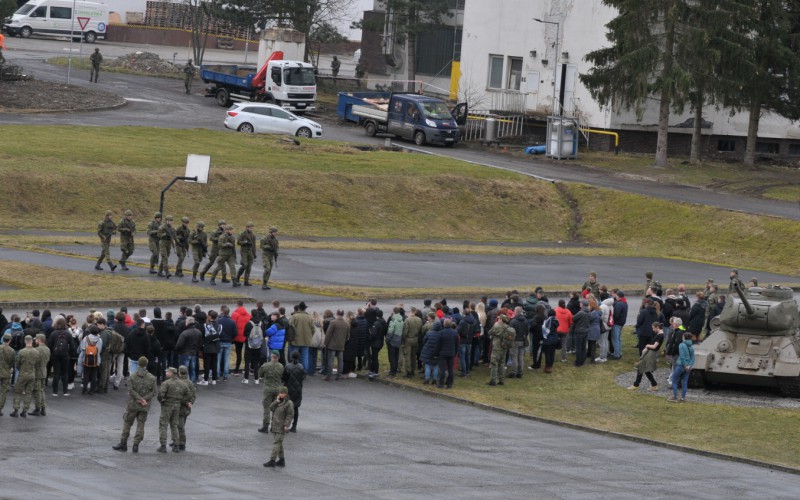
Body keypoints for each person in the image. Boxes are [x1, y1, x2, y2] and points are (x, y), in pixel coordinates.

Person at [112, 356, 157, 453]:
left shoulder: (132, 376)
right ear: (146, 364)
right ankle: (136, 445)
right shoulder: (152, 378)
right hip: (144, 405)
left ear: (138, 364)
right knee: (141, 425)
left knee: (127, 423)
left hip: (133, 404)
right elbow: (154, 392)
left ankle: (123, 444)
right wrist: (144, 399)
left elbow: (130, 390)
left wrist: (139, 399)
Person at [157, 366, 188, 453]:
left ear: (171, 373)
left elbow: (160, 395)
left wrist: (162, 401)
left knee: (163, 425)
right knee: (174, 425)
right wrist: (182, 401)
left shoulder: (166, 383)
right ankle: (176, 445)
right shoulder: (182, 383)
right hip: (177, 406)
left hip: (167, 406)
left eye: (167, 372)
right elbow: (188, 394)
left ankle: (163, 446)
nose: (166, 373)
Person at [263, 386, 294, 468]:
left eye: (282, 393)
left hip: (281, 426)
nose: (280, 394)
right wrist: (276, 401)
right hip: (275, 425)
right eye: (279, 393)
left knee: (276, 443)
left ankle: (272, 460)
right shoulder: (278, 401)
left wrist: (286, 425)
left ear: (285, 394)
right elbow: (271, 408)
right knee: (279, 444)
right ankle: (281, 460)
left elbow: (289, 415)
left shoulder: (289, 403)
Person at [628, 322, 664, 391]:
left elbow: (654, 346)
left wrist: (647, 345)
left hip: (651, 353)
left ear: (657, 327)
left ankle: (636, 385)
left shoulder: (660, 336)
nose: (653, 330)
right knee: (644, 369)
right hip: (650, 353)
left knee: (641, 367)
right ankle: (653, 384)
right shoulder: (659, 334)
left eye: (653, 328)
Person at [11, 335, 38, 417]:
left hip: (23, 374)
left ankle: (16, 410)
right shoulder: (36, 352)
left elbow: (17, 364)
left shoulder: (21, 352)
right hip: (32, 374)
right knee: (28, 393)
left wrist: (21, 369)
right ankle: (24, 411)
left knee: (17, 391)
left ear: (25, 341)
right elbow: (37, 363)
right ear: (32, 341)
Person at [258, 350, 284, 433]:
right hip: (277, 389)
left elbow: (260, 374)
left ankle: (265, 426)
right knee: (276, 408)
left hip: (268, 389)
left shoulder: (265, 366)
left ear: (271, 356)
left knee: (267, 408)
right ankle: (274, 427)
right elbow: (283, 376)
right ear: (278, 358)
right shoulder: (281, 366)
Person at [322, 309, 349, 381]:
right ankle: (339, 375)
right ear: (343, 314)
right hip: (341, 345)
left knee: (331, 360)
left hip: (332, 344)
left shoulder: (333, 322)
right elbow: (347, 336)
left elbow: (328, 334)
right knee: (340, 360)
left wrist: (325, 343)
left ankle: (329, 375)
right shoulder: (346, 324)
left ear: (337, 314)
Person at [668, 331, 695, 402]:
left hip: (681, 365)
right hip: (688, 367)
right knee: (685, 382)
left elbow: (682, 356)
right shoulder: (691, 346)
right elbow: (693, 358)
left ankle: (675, 396)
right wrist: (689, 365)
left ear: (684, 338)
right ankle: (683, 398)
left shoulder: (681, 345)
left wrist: (685, 365)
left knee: (674, 380)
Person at [282, 351, 305, 432]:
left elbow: (284, 378)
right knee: (296, 408)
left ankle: (285, 426)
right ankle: (294, 426)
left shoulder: (288, 366)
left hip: (289, 390)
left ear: (291, 357)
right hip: (298, 390)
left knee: (286, 408)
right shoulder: (301, 367)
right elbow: (303, 377)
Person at [487, 315, 512, 386]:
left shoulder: (497, 326)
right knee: (502, 363)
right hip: (504, 347)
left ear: (501, 320)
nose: (498, 320)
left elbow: (490, 332)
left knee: (494, 363)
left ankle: (493, 380)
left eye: (499, 319)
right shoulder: (508, 327)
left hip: (497, 347)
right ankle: (501, 380)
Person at [175, 316, 201, 383]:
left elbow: (179, 345)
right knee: (192, 369)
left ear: (187, 323)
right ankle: (192, 382)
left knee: (184, 369)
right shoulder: (198, 332)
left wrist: (177, 350)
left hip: (184, 353)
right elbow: (199, 343)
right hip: (194, 353)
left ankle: (186, 382)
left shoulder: (184, 333)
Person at [198, 310, 221, 385]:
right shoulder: (220, 326)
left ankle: (205, 380)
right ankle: (214, 379)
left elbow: (203, 335)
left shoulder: (205, 325)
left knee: (207, 364)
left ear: (210, 316)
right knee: (214, 363)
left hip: (208, 346)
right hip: (216, 346)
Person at [176, 365, 196, 450]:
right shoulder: (190, 383)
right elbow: (193, 395)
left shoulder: (177, 382)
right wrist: (190, 403)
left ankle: (181, 443)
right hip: (186, 408)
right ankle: (178, 440)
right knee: (181, 424)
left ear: (179, 372)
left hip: (178, 407)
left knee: (179, 426)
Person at [436, 319, 458, 389]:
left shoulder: (441, 333)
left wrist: (436, 353)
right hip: (451, 353)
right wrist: (455, 352)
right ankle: (449, 384)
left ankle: (441, 384)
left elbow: (438, 345)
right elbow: (456, 344)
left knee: (442, 369)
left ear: (444, 324)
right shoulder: (455, 333)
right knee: (450, 369)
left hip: (442, 353)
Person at [402, 307, 422, 378]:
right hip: (415, 339)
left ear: (411, 311)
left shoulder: (407, 320)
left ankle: (408, 371)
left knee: (408, 356)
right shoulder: (419, 320)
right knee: (413, 356)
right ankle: (413, 369)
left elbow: (405, 331)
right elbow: (420, 330)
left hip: (408, 339)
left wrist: (403, 338)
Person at [236, 222, 257, 286]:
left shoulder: (253, 235)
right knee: (244, 265)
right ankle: (237, 278)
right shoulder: (242, 234)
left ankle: (246, 281)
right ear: (247, 227)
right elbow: (238, 242)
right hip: (244, 252)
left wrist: (254, 253)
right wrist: (245, 242)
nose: (251, 229)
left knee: (249, 267)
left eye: (252, 228)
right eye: (250, 228)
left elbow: (254, 245)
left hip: (250, 252)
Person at [0, 333, 14, 415]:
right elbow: (12, 363)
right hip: (6, 373)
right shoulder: (11, 351)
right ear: (10, 340)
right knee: (3, 391)